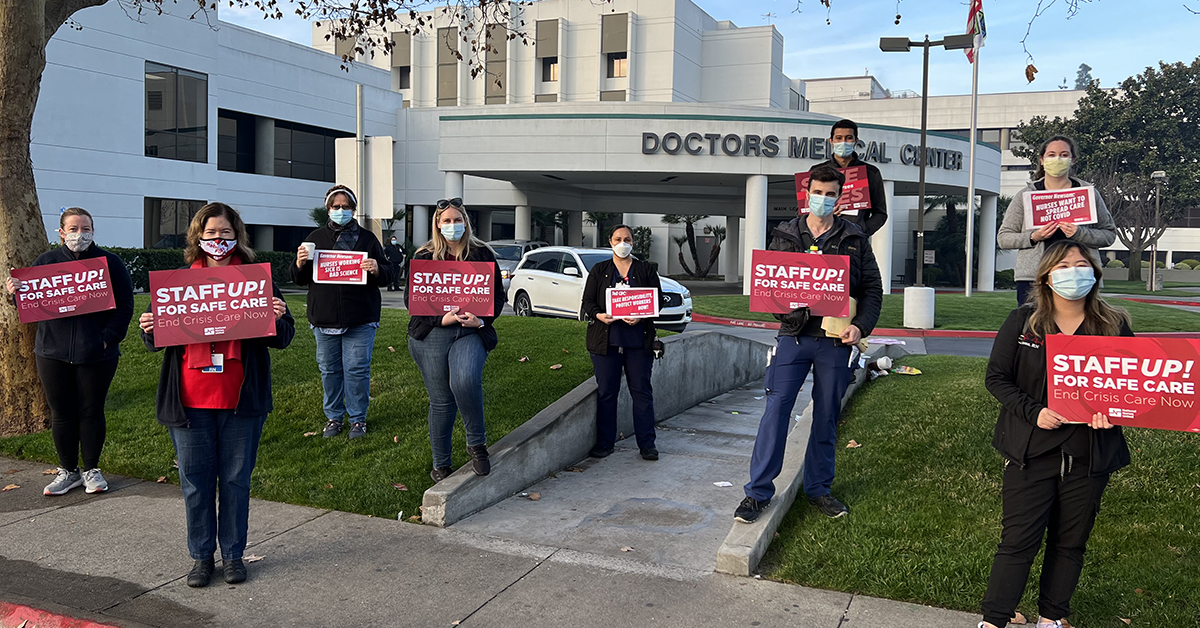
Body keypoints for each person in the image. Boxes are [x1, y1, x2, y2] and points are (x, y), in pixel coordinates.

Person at [138, 202, 294, 588]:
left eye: (225, 233)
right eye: (210, 233)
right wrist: (148, 327)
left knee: (237, 481)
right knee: (196, 482)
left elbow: (284, 338)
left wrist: (278, 317)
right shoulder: (178, 281)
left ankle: (234, 555)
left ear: (237, 235)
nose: (218, 240)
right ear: (197, 237)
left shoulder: (257, 279)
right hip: (190, 400)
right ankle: (201, 557)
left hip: (241, 399)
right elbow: (157, 340)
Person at [979, 240, 1132, 628]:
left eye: (1082, 264)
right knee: (1018, 541)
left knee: (1070, 542)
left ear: (1094, 275)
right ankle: (995, 619)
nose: (1074, 271)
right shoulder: (1023, 322)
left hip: (1090, 452)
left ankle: (1052, 618)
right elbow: (997, 378)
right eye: (1064, 265)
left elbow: (1133, 387)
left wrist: (1112, 414)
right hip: (1031, 450)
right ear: (1046, 275)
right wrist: (1034, 411)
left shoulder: (1114, 325)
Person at [735, 166, 883, 523]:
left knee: (826, 417)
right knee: (776, 411)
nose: (824, 199)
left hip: (834, 341)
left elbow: (873, 290)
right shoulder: (785, 235)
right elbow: (769, 289)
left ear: (839, 196)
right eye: (819, 192)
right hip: (794, 338)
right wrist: (783, 308)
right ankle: (757, 494)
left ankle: (819, 489)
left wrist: (860, 327)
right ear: (807, 194)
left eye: (831, 194)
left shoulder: (855, 238)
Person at [5, 208, 134, 496]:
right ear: (61, 232)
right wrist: (15, 293)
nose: (80, 234)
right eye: (73, 229)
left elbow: (125, 306)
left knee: (91, 411)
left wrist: (106, 339)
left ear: (93, 230)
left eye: (85, 228)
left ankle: (91, 470)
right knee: (61, 413)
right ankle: (68, 471)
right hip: (52, 352)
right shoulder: (46, 262)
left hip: (97, 353)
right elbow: (30, 304)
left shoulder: (110, 263)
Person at [405, 198, 505, 482]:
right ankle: (441, 464)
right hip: (433, 334)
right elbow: (412, 301)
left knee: (464, 381)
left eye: (457, 220)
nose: (452, 225)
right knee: (441, 401)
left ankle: (477, 445)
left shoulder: (482, 254)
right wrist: (441, 319)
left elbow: (497, 297)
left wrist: (482, 320)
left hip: (471, 331)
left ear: (466, 222)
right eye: (446, 221)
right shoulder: (424, 256)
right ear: (437, 224)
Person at [291, 184, 394, 439]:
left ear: (354, 210)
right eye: (336, 206)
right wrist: (299, 263)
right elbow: (298, 279)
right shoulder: (315, 238)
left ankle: (358, 419)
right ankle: (334, 417)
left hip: (361, 317)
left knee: (357, 370)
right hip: (323, 317)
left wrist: (377, 269)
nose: (341, 210)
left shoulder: (368, 239)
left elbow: (389, 273)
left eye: (346, 207)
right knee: (330, 370)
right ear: (327, 209)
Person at [580, 224, 666, 461]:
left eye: (627, 239)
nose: (622, 243)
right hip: (605, 342)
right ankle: (605, 443)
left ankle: (647, 444)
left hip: (638, 342)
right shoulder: (599, 270)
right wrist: (599, 315)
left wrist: (641, 314)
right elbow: (588, 302)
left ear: (633, 243)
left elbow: (657, 300)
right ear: (610, 242)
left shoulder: (646, 270)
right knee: (607, 392)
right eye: (618, 239)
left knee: (642, 392)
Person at [997, 135, 1117, 304]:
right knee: (1033, 328)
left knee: (1080, 329)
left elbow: (1109, 234)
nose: (1058, 159)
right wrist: (1033, 237)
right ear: (1042, 160)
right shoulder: (1026, 196)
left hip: (1079, 278)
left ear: (1072, 160)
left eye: (1064, 155)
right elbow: (1004, 238)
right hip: (1034, 279)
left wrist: (1080, 233)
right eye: (1052, 155)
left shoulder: (1088, 194)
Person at [812, 119, 888, 236]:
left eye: (848, 138)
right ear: (831, 141)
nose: (843, 142)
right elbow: (802, 210)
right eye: (838, 138)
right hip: (823, 237)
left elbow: (880, 213)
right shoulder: (816, 171)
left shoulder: (871, 172)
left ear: (856, 141)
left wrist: (862, 230)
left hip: (855, 241)